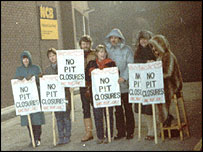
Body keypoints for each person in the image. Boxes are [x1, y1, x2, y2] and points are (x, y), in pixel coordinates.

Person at [104, 28, 135, 140]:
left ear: (119, 38)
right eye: (111, 38)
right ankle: (120, 131)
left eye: (115, 37)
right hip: (113, 86)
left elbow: (130, 64)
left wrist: (124, 77)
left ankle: (130, 131)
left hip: (125, 85)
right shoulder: (107, 51)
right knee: (118, 110)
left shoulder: (127, 50)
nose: (113, 40)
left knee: (128, 108)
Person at [148, 34, 183, 127]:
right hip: (165, 82)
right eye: (153, 48)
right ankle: (166, 117)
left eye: (156, 48)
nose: (154, 50)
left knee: (161, 92)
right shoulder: (160, 57)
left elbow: (168, 73)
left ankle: (166, 118)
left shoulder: (168, 55)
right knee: (157, 91)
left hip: (173, 83)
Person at [85, 44, 116, 144]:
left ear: (106, 53)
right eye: (100, 52)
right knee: (97, 115)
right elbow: (87, 77)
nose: (102, 54)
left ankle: (109, 135)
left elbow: (115, 76)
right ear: (97, 54)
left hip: (108, 93)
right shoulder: (91, 64)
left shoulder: (111, 64)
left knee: (109, 114)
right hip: (96, 93)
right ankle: (100, 136)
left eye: (103, 52)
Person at [14, 50, 45, 147]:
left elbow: (41, 78)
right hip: (26, 99)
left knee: (37, 119)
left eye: (27, 58)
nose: (25, 60)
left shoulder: (36, 68)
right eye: (24, 59)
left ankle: (37, 138)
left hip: (35, 98)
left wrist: (33, 77)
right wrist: (19, 80)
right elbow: (16, 81)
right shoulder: (19, 70)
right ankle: (32, 138)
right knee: (28, 119)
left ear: (29, 59)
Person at [44, 48, 71, 145]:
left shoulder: (64, 66)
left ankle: (67, 136)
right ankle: (60, 136)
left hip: (65, 95)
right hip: (55, 97)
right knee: (58, 117)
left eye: (53, 55)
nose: (52, 58)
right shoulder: (47, 70)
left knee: (66, 116)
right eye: (50, 56)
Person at [134, 30, 156, 140]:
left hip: (153, 83)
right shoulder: (137, 52)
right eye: (141, 39)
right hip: (142, 84)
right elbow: (135, 63)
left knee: (151, 107)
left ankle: (154, 130)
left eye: (145, 38)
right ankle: (150, 129)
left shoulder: (154, 50)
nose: (143, 41)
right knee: (144, 108)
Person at [79, 35, 97, 142]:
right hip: (83, 85)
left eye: (87, 43)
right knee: (85, 109)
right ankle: (88, 132)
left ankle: (100, 131)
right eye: (83, 43)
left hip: (93, 85)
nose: (85, 45)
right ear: (80, 45)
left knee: (97, 108)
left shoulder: (95, 54)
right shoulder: (76, 56)